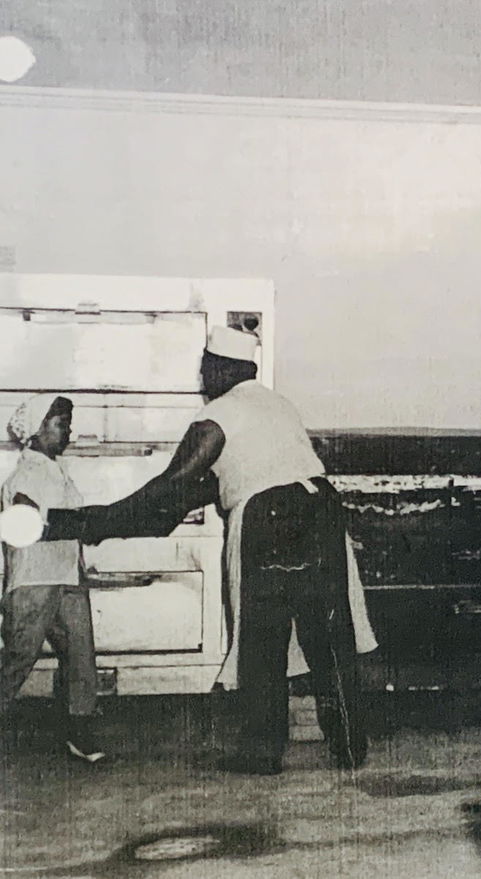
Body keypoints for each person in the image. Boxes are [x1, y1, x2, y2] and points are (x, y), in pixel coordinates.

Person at [41, 327, 375, 775]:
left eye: (205, 369)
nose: (202, 380)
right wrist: (103, 524)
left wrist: (87, 522)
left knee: (262, 640)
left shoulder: (218, 415)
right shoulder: (277, 405)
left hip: (270, 518)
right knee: (328, 634)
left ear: (222, 369)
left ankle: (262, 752)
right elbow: (196, 495)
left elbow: (168, 488)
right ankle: (351, 746)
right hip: (322, 509)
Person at [0, 395, 105, 763]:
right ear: (37, 429)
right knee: (17, 658)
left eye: (68, 423)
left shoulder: (56, 471)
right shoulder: (26, 474)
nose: (69, 430)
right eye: (62, 422)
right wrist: (89, 523)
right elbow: (25, 523)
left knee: (80, 656)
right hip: (34, 580)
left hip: (66, 575)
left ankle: (80, 731)